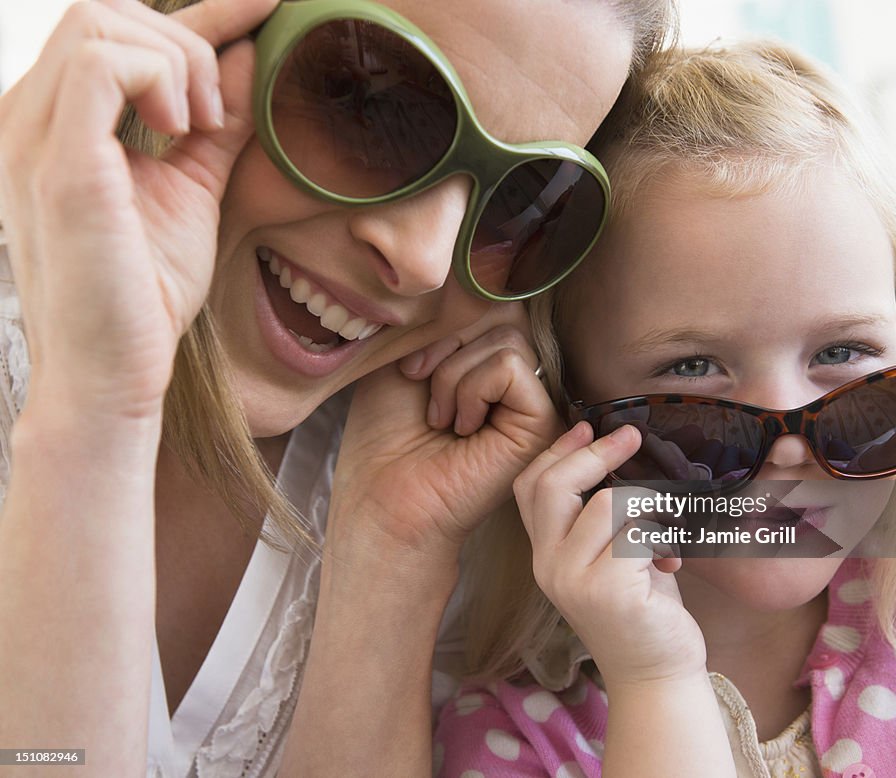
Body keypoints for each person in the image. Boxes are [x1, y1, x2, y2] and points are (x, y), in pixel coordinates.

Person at [0, 0, 677, 775]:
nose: (426, 258)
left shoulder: (485, 527)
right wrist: (94, 416)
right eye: (368, 104)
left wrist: (394, 555)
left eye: (523, 201)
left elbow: (789, 527)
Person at [434, 43, 896, 777]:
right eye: (692, 369)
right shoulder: (516, 736)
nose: (787, 443)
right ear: (566, 407)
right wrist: (655, 680)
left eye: (842, 353)